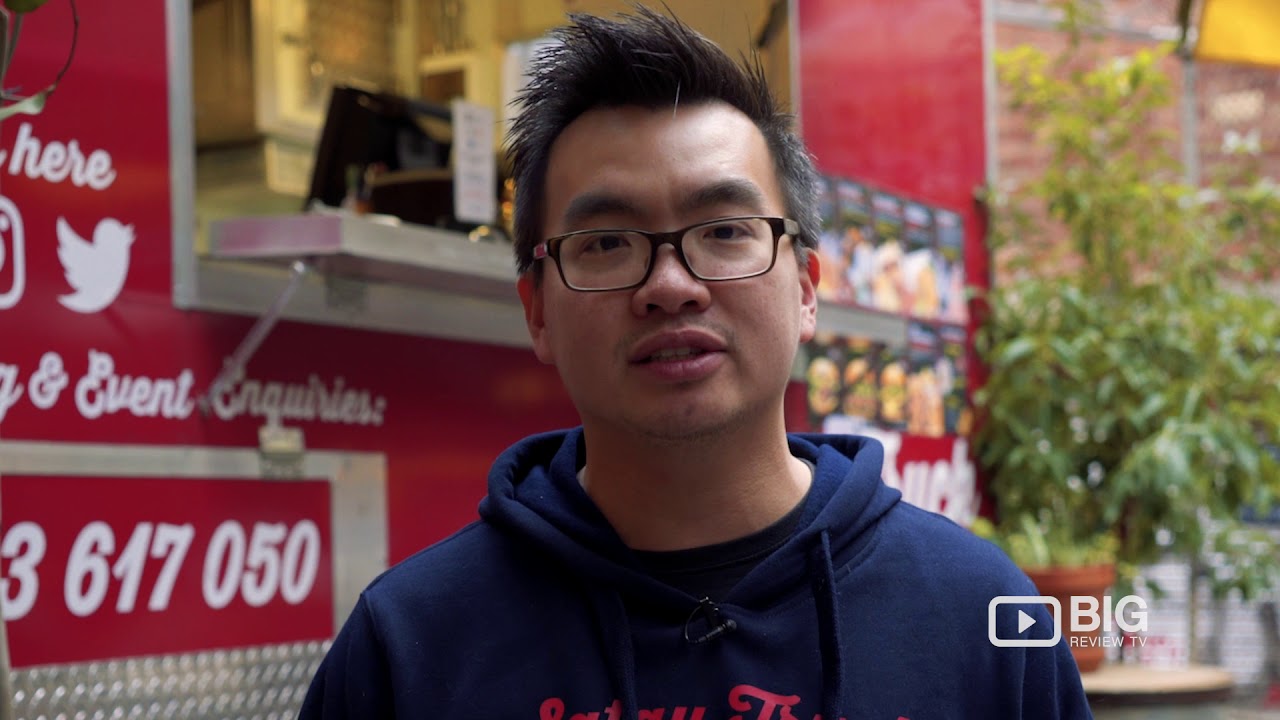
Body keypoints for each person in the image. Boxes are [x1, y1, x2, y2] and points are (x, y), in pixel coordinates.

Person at [299, 7, 1093, 719]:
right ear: (537, 308)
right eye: (607, 243)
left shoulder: (980, 617)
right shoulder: (409, 650)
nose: (670, 287)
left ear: (807, 288)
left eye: (723, 232)